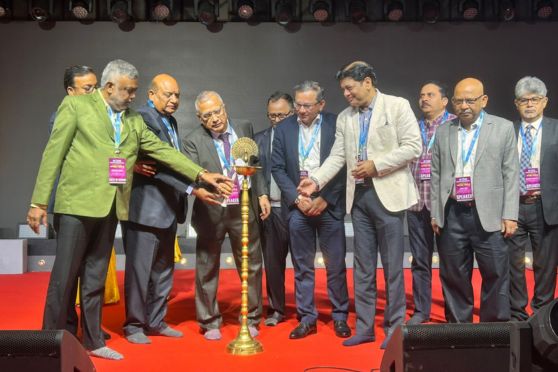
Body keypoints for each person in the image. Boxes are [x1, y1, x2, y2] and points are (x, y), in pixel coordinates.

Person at [27, 60, 231, 360]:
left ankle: (94, 342)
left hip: (111, 208)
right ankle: (48, 348)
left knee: (95, 279)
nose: (133, 96)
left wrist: (201, 174)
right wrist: (38, 202)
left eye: (135, 91)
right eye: (128, 90)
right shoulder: (76, 107)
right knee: (64, 279)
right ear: (109, 87)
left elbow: (162, 151)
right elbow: (53, 153)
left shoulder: (133, 119)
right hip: (76, 206)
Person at [298, 61, 422, 348]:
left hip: (389, 195)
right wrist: (315, 181)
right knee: (363, 267)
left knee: (392, 266)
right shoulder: (345, 117)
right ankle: (365, 327)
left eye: (349, 88)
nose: (346, 94)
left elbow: (413, 146)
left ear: (367, 82)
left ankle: (395, 328)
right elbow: (337, 157)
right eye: (343, 90)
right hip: (360, 198)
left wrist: (376, 165)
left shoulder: (397, 105)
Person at [182, 90, 270, 341]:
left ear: (225, 108)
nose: (214, 118)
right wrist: (206, 188)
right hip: (212, 211)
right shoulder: (192, 140)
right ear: (200, 118)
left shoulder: (244, 127)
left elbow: (256, 164)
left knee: (251, 264)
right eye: (207, 115)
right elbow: (191, 175)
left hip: (244, 208)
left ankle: (251, 317)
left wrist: (262, 194)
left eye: (217, 111)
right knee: (207, 266)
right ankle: (209, 321)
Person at [430, 77, 519, 323]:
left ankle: (493, 331)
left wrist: (510, 214)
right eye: (458, 100)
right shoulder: (443, 130)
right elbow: (436, 174)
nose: (463, 105)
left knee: (496, 275)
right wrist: (436, 213)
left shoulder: (502, 127)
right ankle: (460, 332)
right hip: (452, 214)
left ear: (484, 100)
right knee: (453, 275)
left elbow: (511, 173)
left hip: (489, 215)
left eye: (470, 100)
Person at [271, 81, 350, 339]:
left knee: (336, 264)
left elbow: (344, 164)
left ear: (321, 104)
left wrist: (325, 198)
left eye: (307, 105)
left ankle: (340, 316)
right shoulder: (283, 128)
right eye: (298, 104)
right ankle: (307, 318)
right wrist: (296, 198)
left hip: (327, 206)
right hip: (298, 208)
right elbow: (278, 169)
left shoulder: (335, 123)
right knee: (302, 265)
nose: (301, 110)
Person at [122, 74, 197, 344]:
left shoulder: (171, 121)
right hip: (144, 209)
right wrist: (194, 186)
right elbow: (160, 163)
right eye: (168, 94)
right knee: (139, 272)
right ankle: (133, 326)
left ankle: (155, 321)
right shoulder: (141, 116)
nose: (174, 100)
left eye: (177, 95)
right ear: (151, 94)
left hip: (168, 209)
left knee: (164, 271)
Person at [507, 76, 558, 321]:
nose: (529, 104)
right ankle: (517, 315)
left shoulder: (556, 129)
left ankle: (542, 316)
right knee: (513, 265)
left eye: (535, 99)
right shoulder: (508, 130)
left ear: (544, 102)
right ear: (516, 103)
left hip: (545, 206)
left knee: (545, 265)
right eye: (524, 100)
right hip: (513, 206)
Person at [407, 81, 456, 325]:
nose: (424, 98)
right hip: (417, 205)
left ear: (444, 101)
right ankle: (421, 311)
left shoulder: (455, 125)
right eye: (421, 94)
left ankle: (452, 312)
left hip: (446, 206)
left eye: (430, 94)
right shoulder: (413, 128)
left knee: (451, 263)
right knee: (419, 262)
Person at [254, 91, 294, 326]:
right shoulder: (259, 140)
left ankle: (306, 309)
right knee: (273, 263)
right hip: (270, 210)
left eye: (281, 115)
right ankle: (277, 309)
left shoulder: (300, 139)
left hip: (297, 209)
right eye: (272, 116)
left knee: (302, 262)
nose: (277, 120)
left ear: (292, 113)